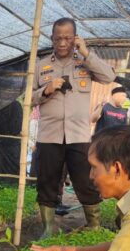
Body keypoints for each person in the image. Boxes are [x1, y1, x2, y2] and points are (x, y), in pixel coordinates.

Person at [32, 18, 115, 237]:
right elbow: (27, 99)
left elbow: (109, 77)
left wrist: (86, 53)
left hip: (78, 135)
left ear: (75, 38)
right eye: (58, 38)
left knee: (85, 179)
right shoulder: (40, 65)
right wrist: (46, 90)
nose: (62, 42)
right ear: (51, 38)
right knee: (47, 181)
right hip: (49, 136)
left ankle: (93, 225)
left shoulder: (85, 62)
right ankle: (49, 227)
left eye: (67, 38)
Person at [0, 99, 22, 183]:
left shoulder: (14, 105)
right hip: (4, 143)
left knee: (7, 166)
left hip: (8, 143)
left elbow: (17, 127)